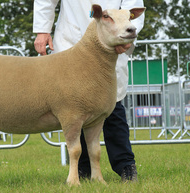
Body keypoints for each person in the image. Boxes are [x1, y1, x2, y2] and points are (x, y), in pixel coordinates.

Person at [33, 0, 145, 182]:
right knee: (75, 110)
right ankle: (82, 169)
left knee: (112, 107)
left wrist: (129, 34)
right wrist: (42, 29)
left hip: (112, 39)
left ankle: (126, 166)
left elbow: (133, 5)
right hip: (72, 37)